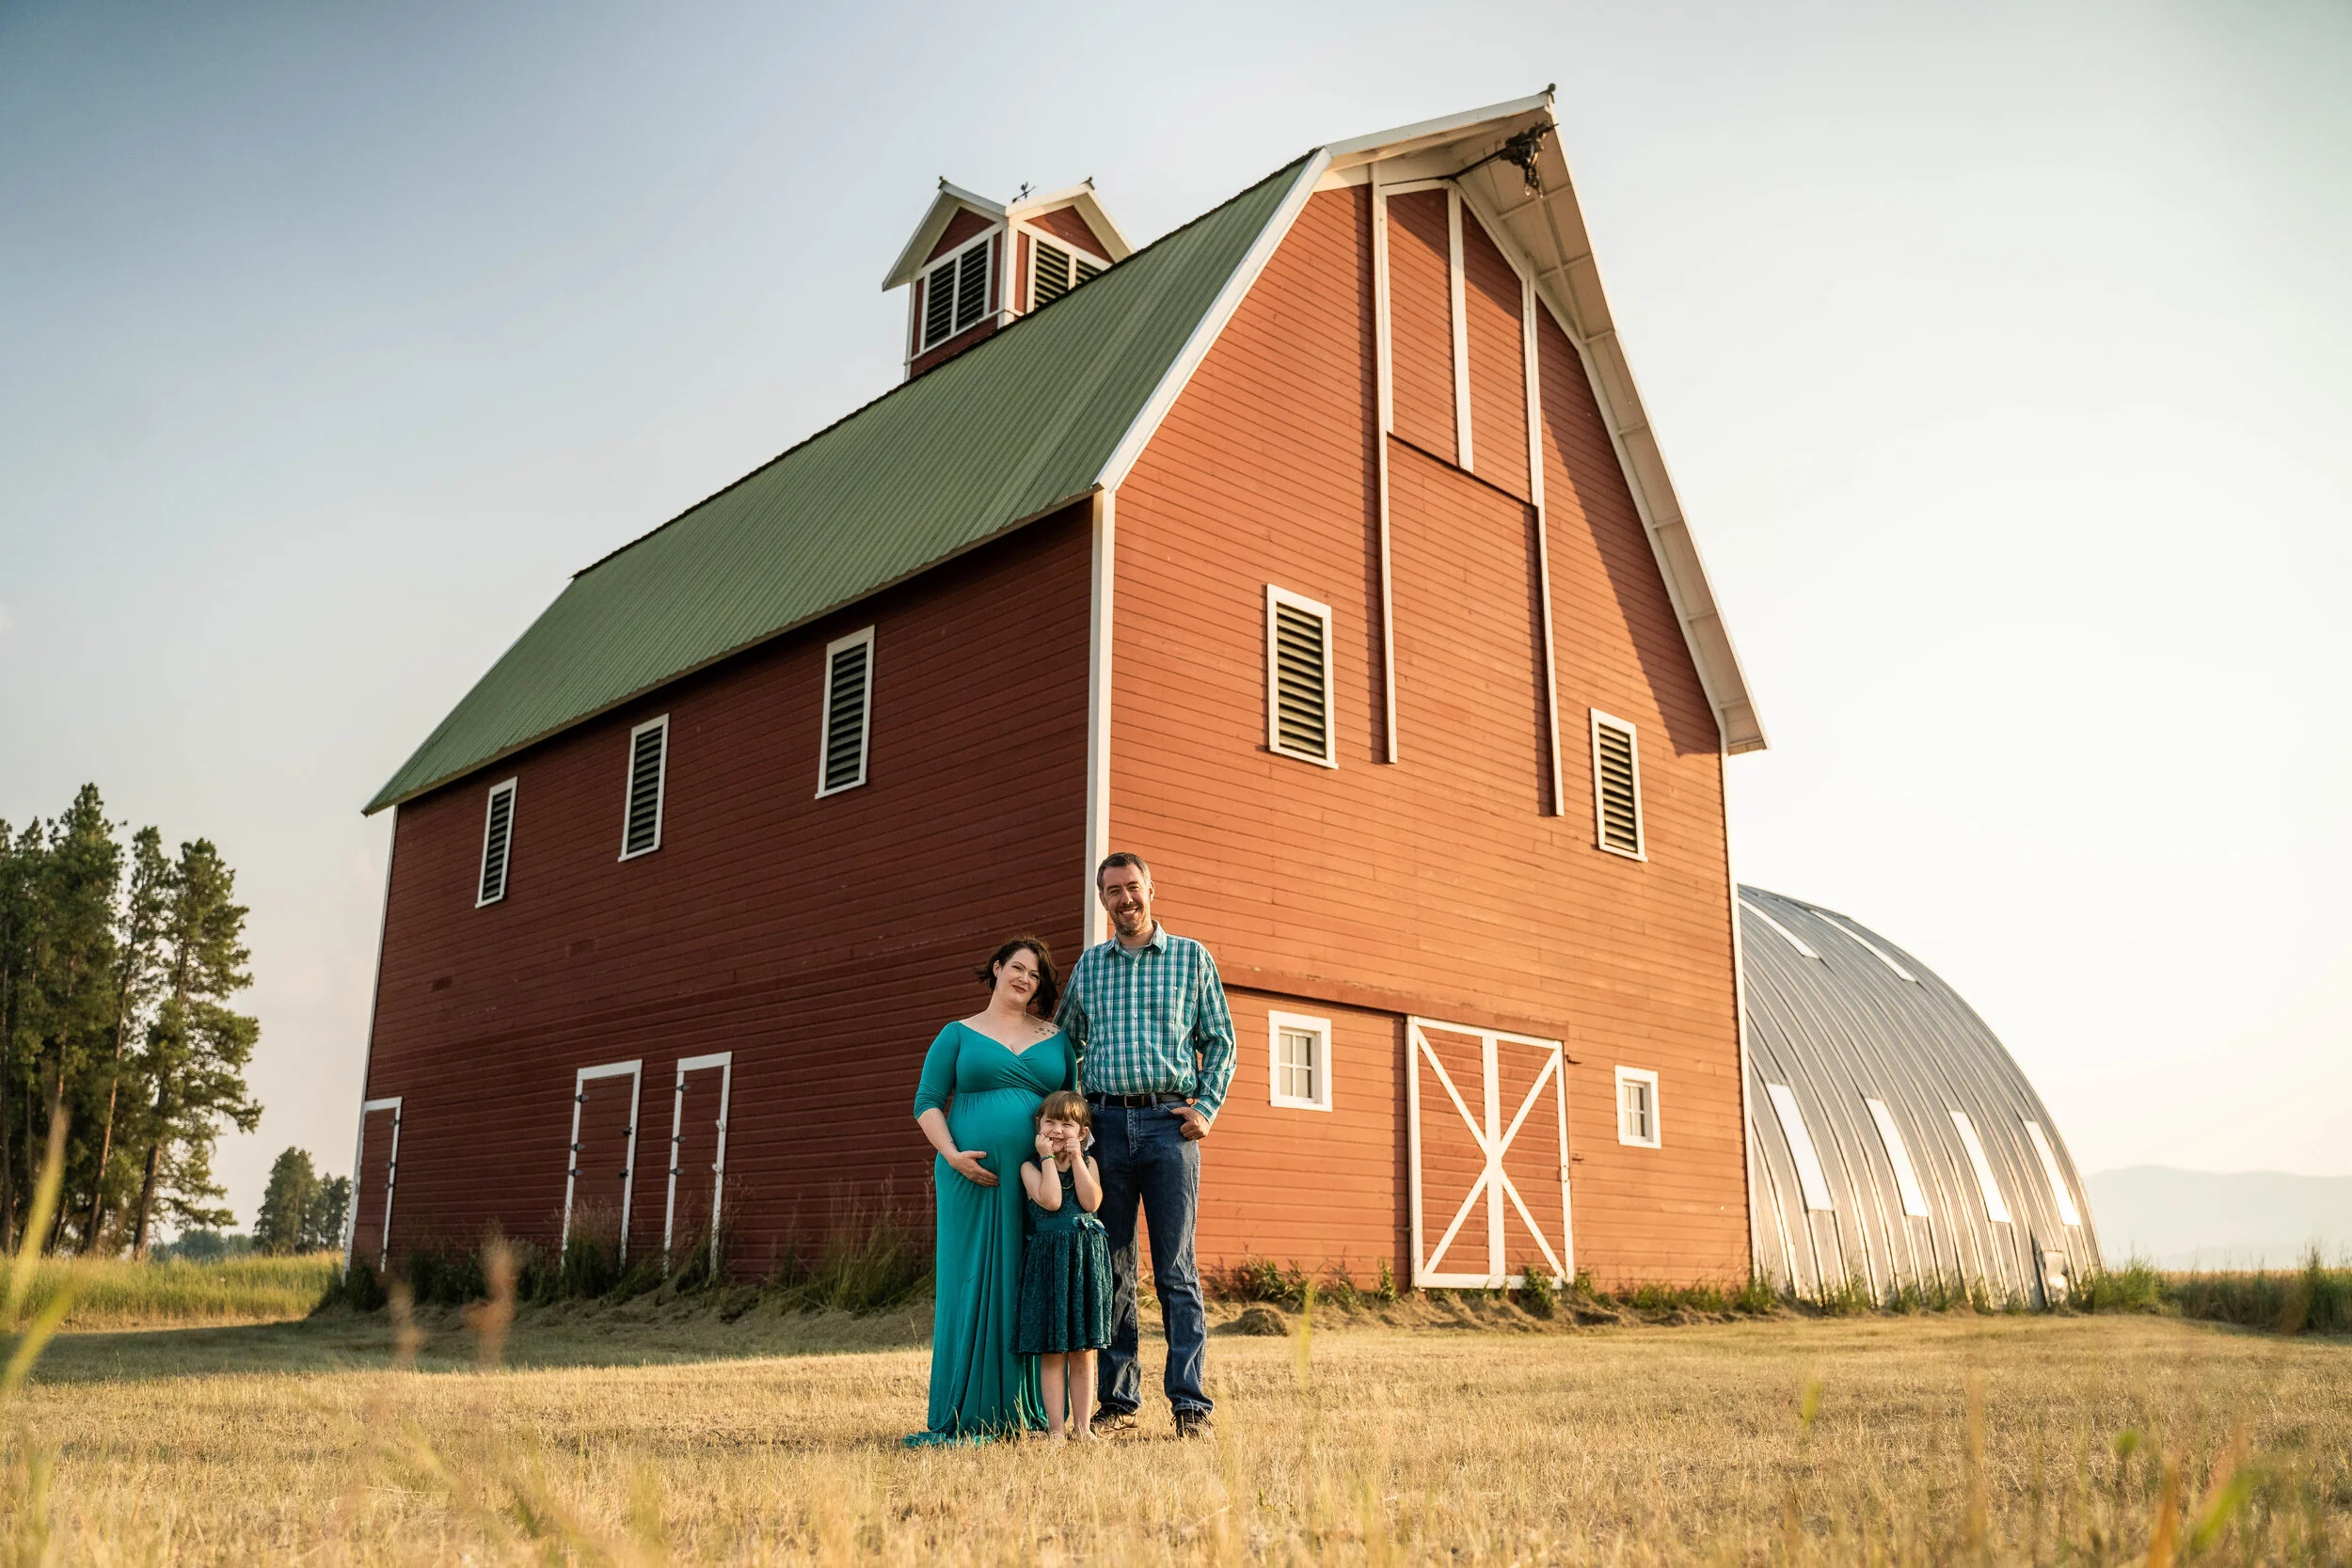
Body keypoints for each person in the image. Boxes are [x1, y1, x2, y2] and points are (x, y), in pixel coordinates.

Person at [1056, 852, 1235, 1438]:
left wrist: (1204, 1110)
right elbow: (1066, 1045)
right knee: (1111, 1267)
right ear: (1101, 900)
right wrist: (1073, 1121)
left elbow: (1220, 1041)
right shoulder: (1090, 968)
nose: (1124, 899)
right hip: (1105, 1127)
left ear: (1151, 889)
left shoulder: (1192, 958)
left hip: (1169, 1125)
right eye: (1112, 891)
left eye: (1132, 887)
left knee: (1176, 1271)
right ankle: (1119, 1401)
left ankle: (1189, 1404)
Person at [907, 937, 1077, 1445]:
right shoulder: (957, 1034)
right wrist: (953, 1155)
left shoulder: (1057, 1038)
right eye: (1017, 968)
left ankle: (1035, 1412)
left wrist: (1068, 1155)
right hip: (970, 1179)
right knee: (972, 1283)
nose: (1025, 979)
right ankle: (969, 1406)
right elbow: (927, 1102)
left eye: (1035, 975)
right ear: (997, 969)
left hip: (1037, 1180)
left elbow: (1074, 1108)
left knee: (1033, 1282)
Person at [1014, 1089, 1111, 1442]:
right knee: (1054, 1350)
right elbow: (1052, 1201)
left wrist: (1080, 1160)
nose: (1057, 1129)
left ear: (1082, 1133)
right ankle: (1057, 1430)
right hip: (1050, 1261)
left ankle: (1083, 1429)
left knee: (1084, 1351)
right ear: (1039, 1127)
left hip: (1085, 1259)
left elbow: (1090, 1201)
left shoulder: (1091, 1164)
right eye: (1049, 1121)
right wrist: (1046, 1159)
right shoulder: (1029, 1166)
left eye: (1067, 1124)